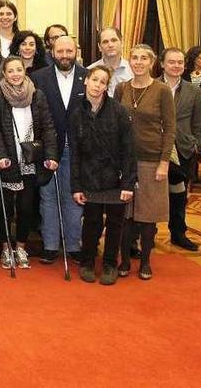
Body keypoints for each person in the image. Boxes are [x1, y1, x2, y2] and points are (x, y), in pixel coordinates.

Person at [0, 57, 58, 269]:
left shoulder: (37, 94)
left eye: (19, 70)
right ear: (4, 74)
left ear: (24, 71)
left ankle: (20, 246)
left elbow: (48, 127)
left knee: (26, 207)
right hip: (7, 158)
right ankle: (6, 247)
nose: (16, 74)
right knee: (4, 207)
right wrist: (0, 155)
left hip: (30, 159)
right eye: (11, 71)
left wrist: (51, 155)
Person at [69, 65, 136, 285]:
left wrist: (128, 183)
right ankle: (88, 262)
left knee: (116, 223)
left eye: (103, 82)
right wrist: (76, 186)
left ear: (107, 86)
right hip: (89, 178)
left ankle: (109, 264)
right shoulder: (76, 112)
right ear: (86, 80)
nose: (98, 85)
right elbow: (75, 153)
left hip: (115, 179)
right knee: (92, 222)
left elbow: (128, 150)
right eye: (94, 80)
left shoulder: (118, 111)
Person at [114, 44, 175, 280]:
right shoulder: (121, 88)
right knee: (126, 214)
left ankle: (146, 262)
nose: (138, 62)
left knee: (147, 215)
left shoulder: (161, 90)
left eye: (143, 58)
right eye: (134, 58)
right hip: (126, 161)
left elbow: (170, 129)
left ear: (152, 63)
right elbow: (116, 125)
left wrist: (164, 162)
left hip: (152, 160)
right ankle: (125, 261)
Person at [31, 36, 86, 264]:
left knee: (73, 196)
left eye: (69, 51)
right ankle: (51, 245)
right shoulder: (38, 77)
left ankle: (73, 245)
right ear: (52, 52)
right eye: (60, 51)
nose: (65, 55)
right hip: (48, 148)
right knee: (48, 197)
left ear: (76, 52)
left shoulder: (87, 77)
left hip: (78, 148)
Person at [160, 47, 201, 251]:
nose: (176, 66)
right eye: (172, 62)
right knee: (151, 195)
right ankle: (144, 235)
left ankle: (178, 233)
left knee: (178, 194)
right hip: (157, 149)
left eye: (180, 62)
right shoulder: (152, 86)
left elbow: (199, 122)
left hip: (183, 149)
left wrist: (196, 144)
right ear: (162, 64)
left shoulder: (193, 90)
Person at [89, 27, 134, 96]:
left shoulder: (132, 70)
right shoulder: (90, 71)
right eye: (105, 42)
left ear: (122, 43)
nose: (110, 45)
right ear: (99, 47)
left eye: (114, 40)